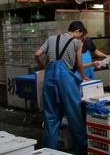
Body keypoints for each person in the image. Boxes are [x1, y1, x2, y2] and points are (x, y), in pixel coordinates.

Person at [34, 21, 88, 154]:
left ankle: (50, 151)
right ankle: (80, 150)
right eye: (81, 35)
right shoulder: (77, 42)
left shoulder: (51, 38)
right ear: (78, 31)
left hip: (50, 78)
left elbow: (37, 54)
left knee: (51, 117)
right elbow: (80, 63)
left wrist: (42, 66)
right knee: (74, 116)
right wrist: (83, 76)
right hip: (66, 80)